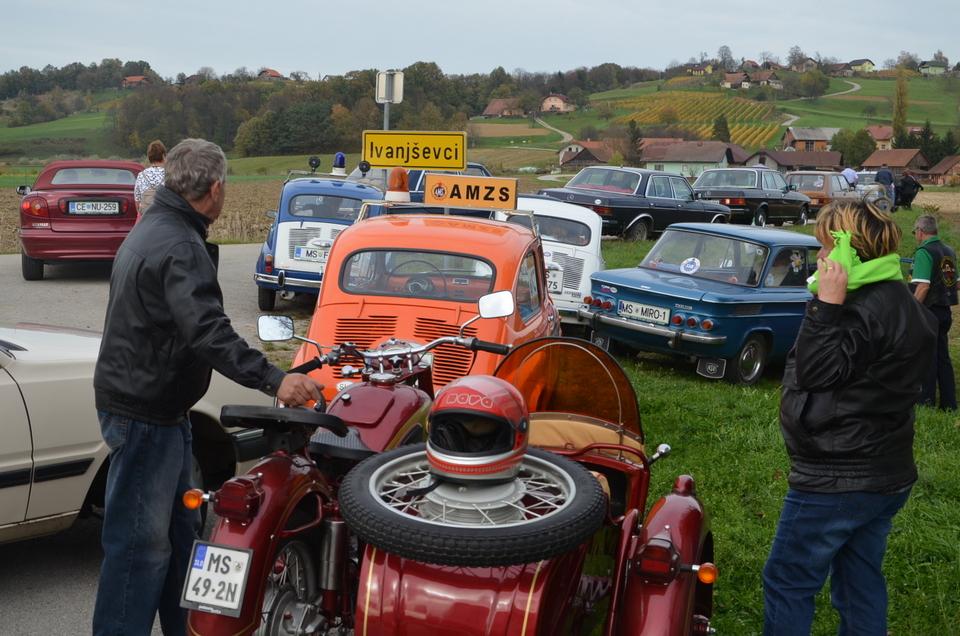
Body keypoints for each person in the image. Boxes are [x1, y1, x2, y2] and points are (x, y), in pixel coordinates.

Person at [92, 138, 323, 636]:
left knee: (182, 538)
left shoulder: (158, 226)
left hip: (158, 411)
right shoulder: (179, 244)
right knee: (138, 551)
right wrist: (275, 379)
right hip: (144, 415)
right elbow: (208, 332)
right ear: (215, 188)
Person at [762, 200, 936, 636]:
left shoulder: (857, 308)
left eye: (826, 246)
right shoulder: (901, 299)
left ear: (848, 249)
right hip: (886, 470)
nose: (819, 256)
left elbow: (817, 374)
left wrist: (827, 305)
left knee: (788, 579)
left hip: (838, 475)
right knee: (859, 579)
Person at [911, 214, 957, 410]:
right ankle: (949, 403)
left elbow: (922, 287)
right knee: (943, 358)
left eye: (915, 232)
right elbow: (956, 283)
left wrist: (911, 311)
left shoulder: (924, 251)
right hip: (945, 311)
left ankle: (926, 402)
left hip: (929, 311)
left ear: (921, 232)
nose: (915, 236)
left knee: (927, 357)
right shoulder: (949, 251)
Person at [134, 139, 167, 217]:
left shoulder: (141, 175)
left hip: (147, 218)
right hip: (165, 219)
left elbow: (137, 203)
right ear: (163, 156)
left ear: (149, 157)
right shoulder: (170, 175)